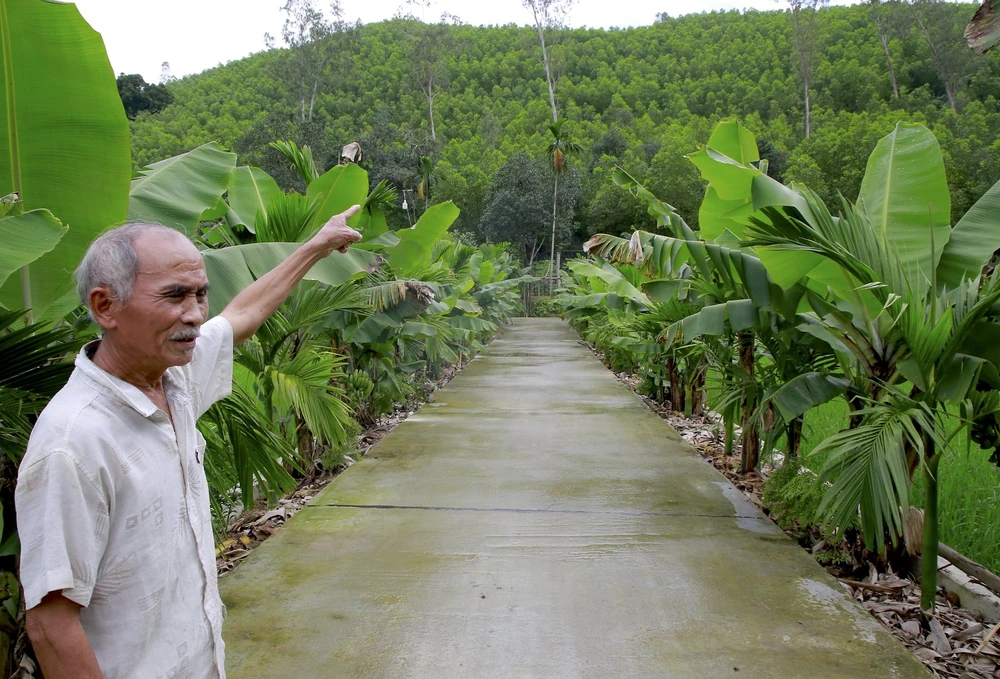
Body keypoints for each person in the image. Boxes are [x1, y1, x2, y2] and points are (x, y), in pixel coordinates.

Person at [15, 206, 363, 679]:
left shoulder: (175, 379)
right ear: (105, 306)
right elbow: (50, 625)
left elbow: (242, 314)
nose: (196, 315)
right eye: (175, 295)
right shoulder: (73, 442)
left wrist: (317, 246)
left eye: (201, 294)